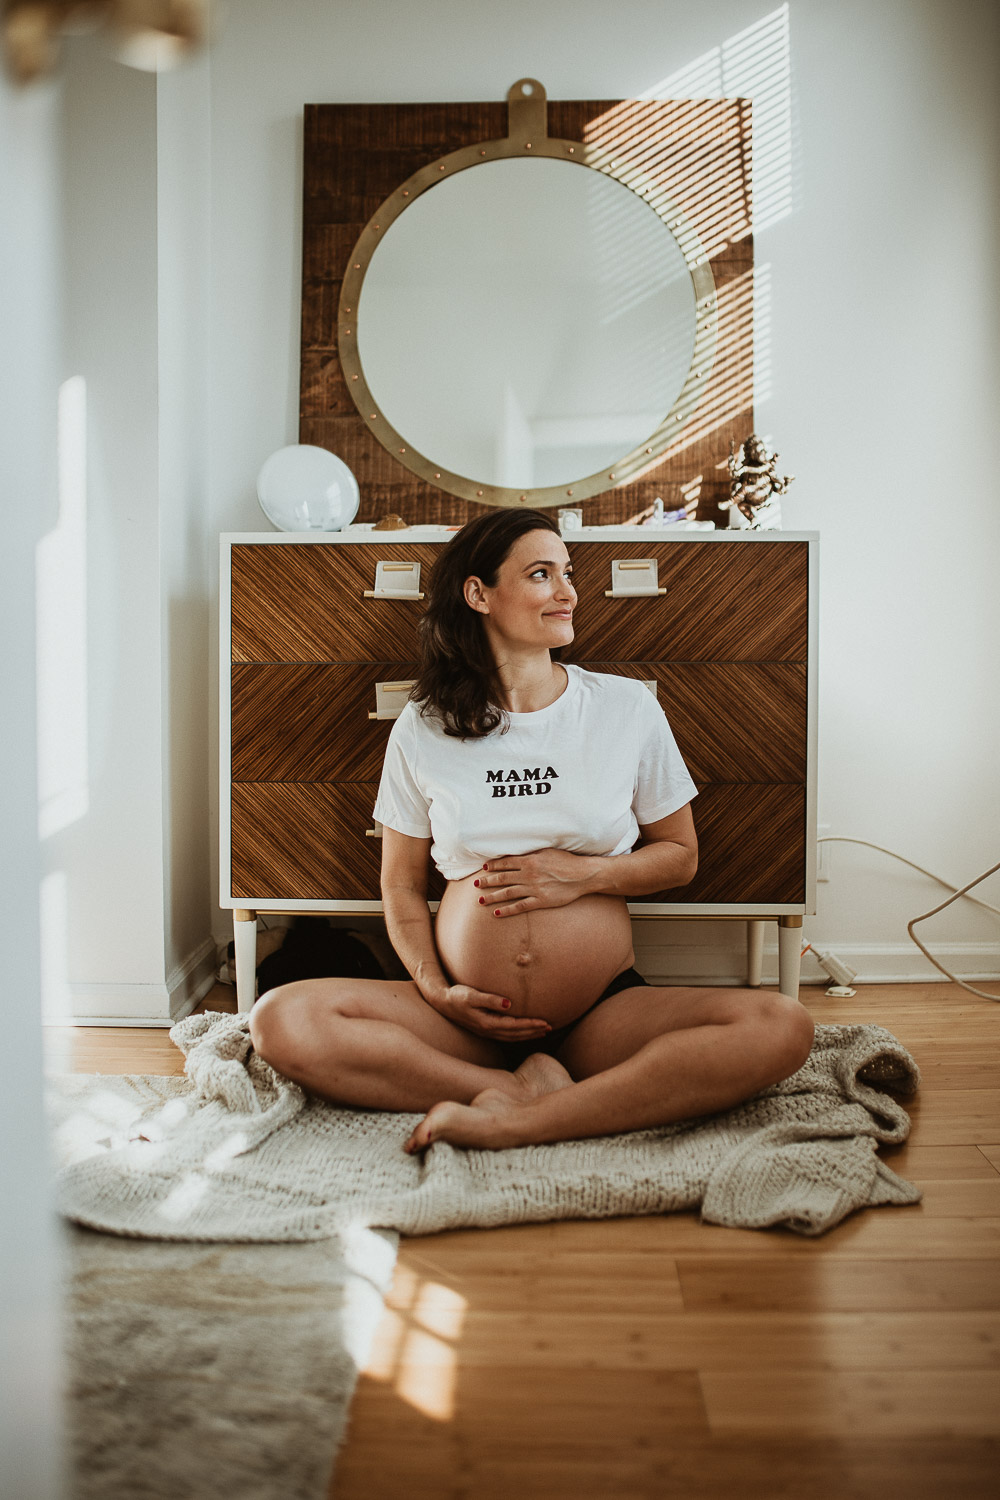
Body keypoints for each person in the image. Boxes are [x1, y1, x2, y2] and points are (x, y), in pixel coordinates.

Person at [249, 508, 814, 1153]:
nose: (569, 592)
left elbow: (679, 857)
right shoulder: (423, 727)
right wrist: (439, 989)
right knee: (281, 1019)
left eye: (567, 574)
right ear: (478, 594)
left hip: (600, 1012)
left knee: (782, 1025)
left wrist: (582, 875)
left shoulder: (625, 708)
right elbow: (401, 888)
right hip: (465, 1021)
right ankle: (511, 1088)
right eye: (542, 574)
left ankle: (523, 1119)